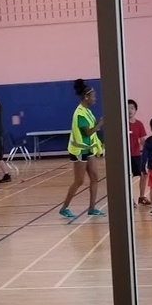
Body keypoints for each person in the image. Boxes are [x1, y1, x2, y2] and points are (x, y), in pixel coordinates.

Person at [59, 79, 105, 219]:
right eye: (93, 96)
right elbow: (88, 132)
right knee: (79, 181)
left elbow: (93, 131)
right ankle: (64, 207)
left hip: (88, 149)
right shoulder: (79, 113)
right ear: (86, 97)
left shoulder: (87, 111)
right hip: (79, 150)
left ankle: (92, 208)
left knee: (95, 177)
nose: (95, 98)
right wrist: (101, 123)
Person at [127, 99, 149, 206]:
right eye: (127, 108)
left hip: (137, 155)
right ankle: (129, 199)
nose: (130, 110)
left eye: (132, 108)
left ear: (135, 110)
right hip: (126, 156)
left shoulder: (139, 124)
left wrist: (149, 149)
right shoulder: (123, 124)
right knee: (127, 177)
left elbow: (142, 140)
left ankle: (142, 197)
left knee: (143, 175)